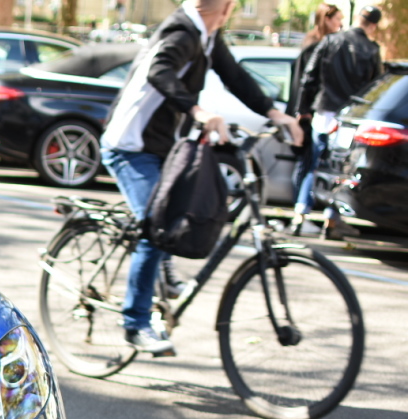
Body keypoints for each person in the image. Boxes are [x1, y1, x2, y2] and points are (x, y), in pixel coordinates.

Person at [99, 0, 303, 356]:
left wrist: (275, 113)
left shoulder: (207, 36)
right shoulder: (180, 33)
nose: (231, 13)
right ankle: (135, 323)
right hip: (129, 145)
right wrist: (197, 110)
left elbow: (235, 76)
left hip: (161, 146)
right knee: (155, 226)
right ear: (220, 7)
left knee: (178, 208)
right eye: (230, 6)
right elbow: (159, 72)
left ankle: (162, 273)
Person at [297, 4, 383, 240]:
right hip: (348, 118)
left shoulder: (331, 41)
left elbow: (309, 76)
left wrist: (303, 108)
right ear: (373, 25)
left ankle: (300, 214)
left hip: (324, 112)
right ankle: (331, 219)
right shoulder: (371, 49)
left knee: (314, 165)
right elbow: (374, 89)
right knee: (339, 170)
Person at [287, 3, 344, 236]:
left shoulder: (324, 44)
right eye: (337, 19)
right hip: (310, 114)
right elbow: (304, 80)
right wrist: (302, 112)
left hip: (312, 111)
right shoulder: (317, 45)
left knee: (309, 164)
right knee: (308, 164)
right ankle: (299, 215)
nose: (340, 24)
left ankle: (300, 215)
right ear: (326, 19)